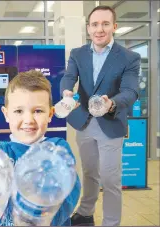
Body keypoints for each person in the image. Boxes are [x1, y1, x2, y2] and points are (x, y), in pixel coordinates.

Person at [60, 5, 141, 226]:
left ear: (114, 27)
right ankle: (86, 212)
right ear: (88, 28)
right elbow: (68, 78)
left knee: (110, 179)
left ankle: (110, 223)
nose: (100, 29)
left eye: (105, 24)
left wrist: (112, 103)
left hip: (110, 122)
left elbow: (131, 91)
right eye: (95, 24)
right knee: (89, 172)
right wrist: (66, 91)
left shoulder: (129, 57)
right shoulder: (77, 54)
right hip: (84, 123)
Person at [0, 70, 81, 226]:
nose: (28, 120)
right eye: (18, 111)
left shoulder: (57, 149)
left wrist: (42, 222)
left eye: (38, 111)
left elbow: (70, 192)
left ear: (50, 113)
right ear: (6, 114)